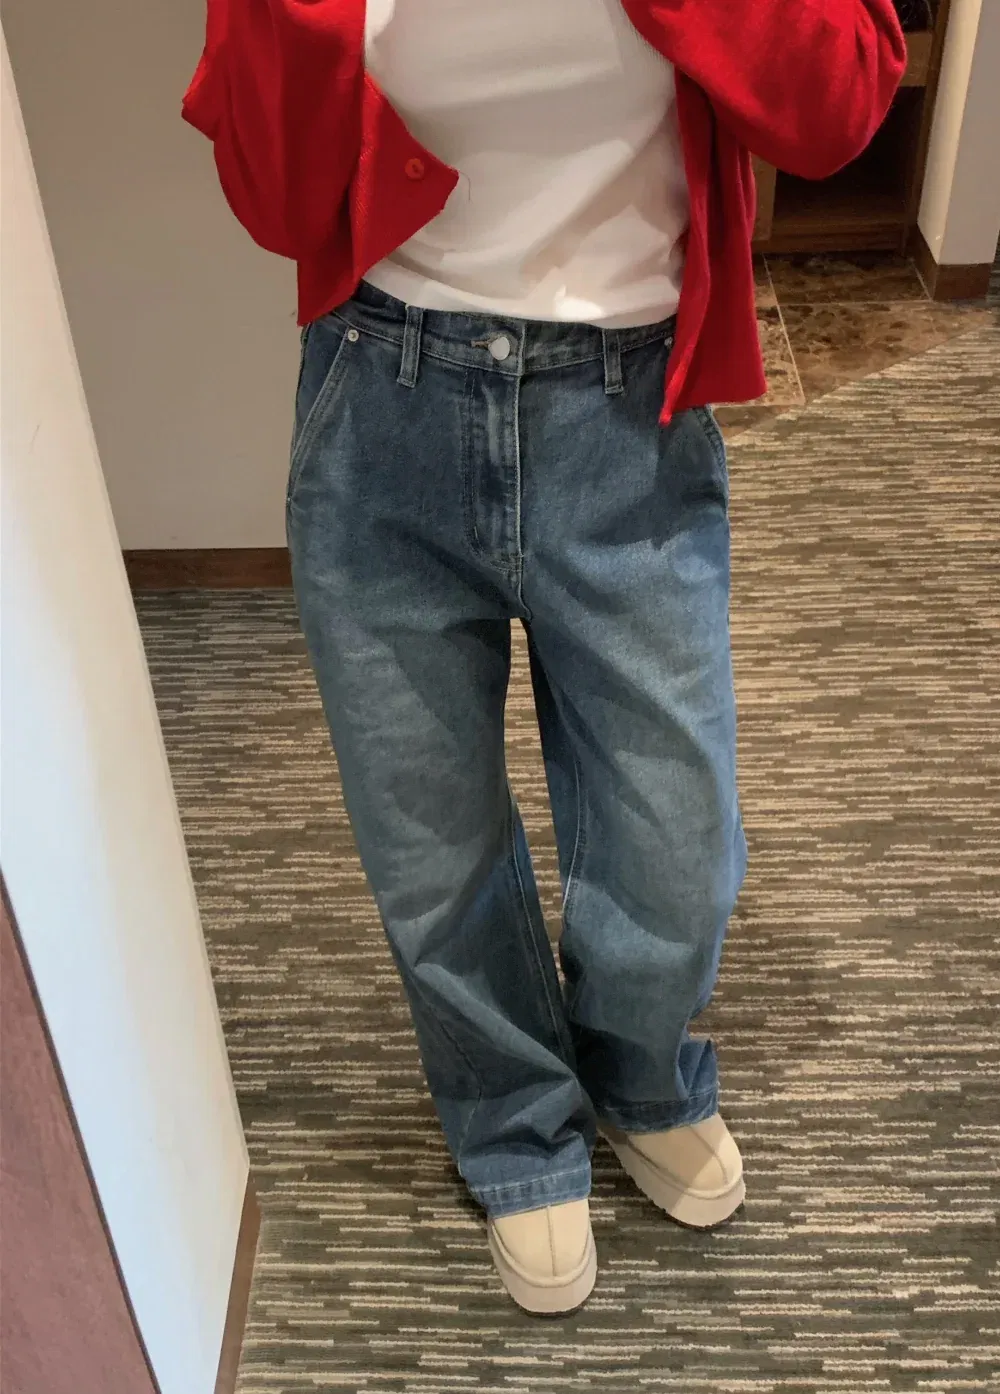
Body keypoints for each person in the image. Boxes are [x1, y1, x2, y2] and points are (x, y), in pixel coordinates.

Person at [183, 0, 905, 1314]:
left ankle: (636, 1071)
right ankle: (513, 1116)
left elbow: (838, 105)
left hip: (626, 420)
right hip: (384, 405)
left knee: (678, 846)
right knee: (429, 842)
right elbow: (276, 199)